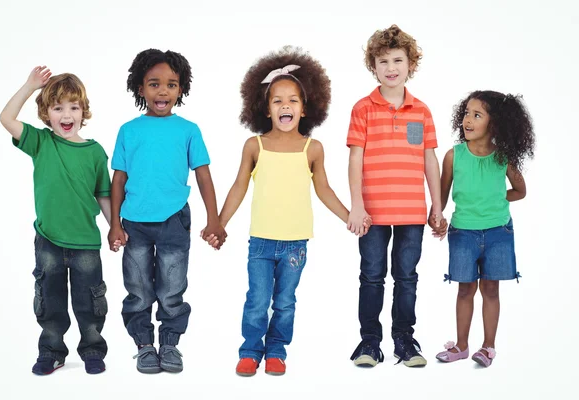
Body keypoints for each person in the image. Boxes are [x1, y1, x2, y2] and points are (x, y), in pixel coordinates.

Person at [205, 46, 368, 376]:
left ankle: (277, 351)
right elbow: (239, 187)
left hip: (295, 243)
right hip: (261, 242)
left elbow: (323, 189)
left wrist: (349, 214)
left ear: (305, 108)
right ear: (265, 109)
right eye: (277, 100)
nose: (285, 105)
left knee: (284, 303)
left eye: (292, 99)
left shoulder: (313, 148)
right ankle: (251, 350)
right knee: (256, 300)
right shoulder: (255, 145)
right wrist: (219, 223)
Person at [108, 49, 227, 374]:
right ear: (140, 88)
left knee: (172, 288)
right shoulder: (129, 130)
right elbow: (118, 179)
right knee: (139, 288)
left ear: (181, 89)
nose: (163, 91)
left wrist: (214, 219)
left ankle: (171, 343)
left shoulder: (188, 130)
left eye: (171, 85)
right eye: (154, 84)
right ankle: (144, 345)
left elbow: (203, 175)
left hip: (174, 219)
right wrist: (115, 223)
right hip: (134, 222)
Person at [0, 66, 117, 375]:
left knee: (90, 303)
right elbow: (7, 119)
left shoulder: (95, 152)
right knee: (50, 301)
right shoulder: (40, 143)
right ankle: (52, 351)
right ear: (46, 113)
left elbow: (103, 195)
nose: (67, 114)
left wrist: (115, 228)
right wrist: (29, 86)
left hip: (86, 243)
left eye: (74, 107)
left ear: (83, 112)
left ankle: (92, 349)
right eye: (58, 107)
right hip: (48, 239)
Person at [347, 24, 442, 368]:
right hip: (372, 212)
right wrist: (356, 206)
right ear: (373, 66)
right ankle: (370, 342)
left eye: (397, 60)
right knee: (372, 275)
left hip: (412, 212)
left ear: (410, 64)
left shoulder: (421, 111)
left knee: (407, 277)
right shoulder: (363, 109)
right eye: (383, 60)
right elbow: (355, 157)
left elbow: (428, 158)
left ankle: (404, 339)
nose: (391, 67)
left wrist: (437, 205)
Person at [432, 90, 535, 367]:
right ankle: (461, 346)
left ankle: (488, 347)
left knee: (491, 290)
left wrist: (496, 199)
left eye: (477, 115)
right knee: (465, 290)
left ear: (495, 123)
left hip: (498, 233)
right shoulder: (454, 156)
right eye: (466, 112)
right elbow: (441, 196)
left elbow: (520, 191)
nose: (468, 119)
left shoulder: (503, 157)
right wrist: (436, 216)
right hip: (462, 233)